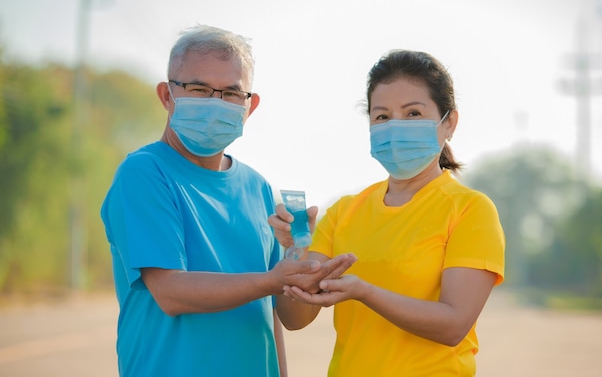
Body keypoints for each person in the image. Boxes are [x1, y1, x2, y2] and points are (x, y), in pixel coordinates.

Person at [100, 24, 355, 377]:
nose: (215, 103)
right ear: (166, 96)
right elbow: (172, 293)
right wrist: (272, 279)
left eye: (232, 94)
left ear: (250, 106)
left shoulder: (260, 188)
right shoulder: (145, 174)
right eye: (199, 89)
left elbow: (286, 319)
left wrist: (299, 258)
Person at [270, 50, 506, 376]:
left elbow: (453, 326)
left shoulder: (470, 209)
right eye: (382, 117)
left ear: (449, 122)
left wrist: (365, 292)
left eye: (412, 113)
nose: (396, 127)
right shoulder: (343, 212)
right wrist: (295, 249)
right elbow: (295, 319)